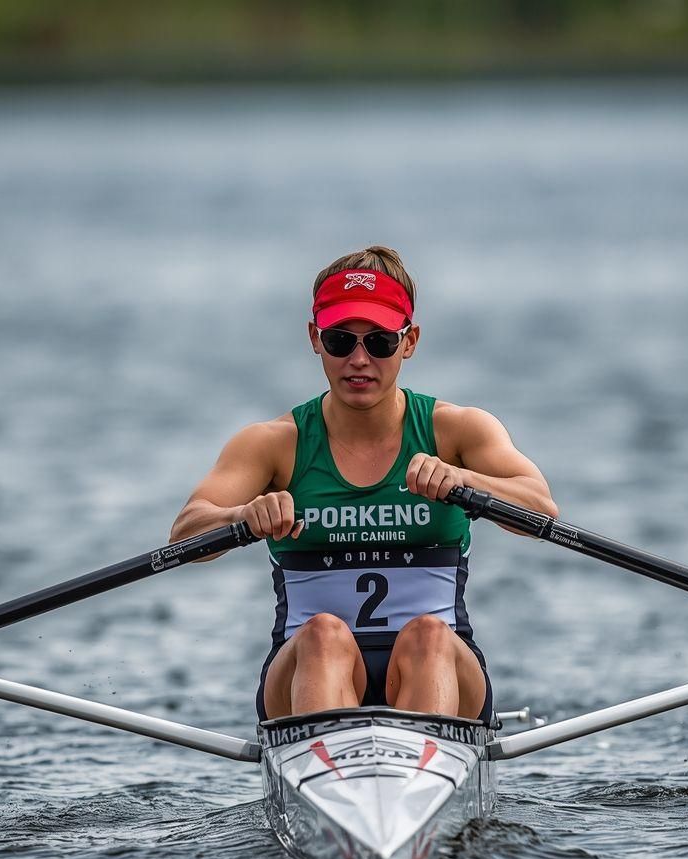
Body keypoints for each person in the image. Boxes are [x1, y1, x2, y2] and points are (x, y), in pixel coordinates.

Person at [170, 245, 557, 723]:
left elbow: (541, 508)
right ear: (315, 338)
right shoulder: (272, 444)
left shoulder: (458, 432)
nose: (358, 360)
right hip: (308, 670)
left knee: (429, 635)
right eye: (339, 341)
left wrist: (464, 480)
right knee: (323, 635)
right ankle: (331, 767)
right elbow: (185, 533)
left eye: (379, 342)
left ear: (409, 341)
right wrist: (240, 517)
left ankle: (418, 770)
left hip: (439, 668)